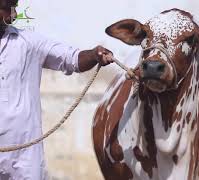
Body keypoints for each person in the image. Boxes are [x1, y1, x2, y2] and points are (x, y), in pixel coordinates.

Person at [0, 0, 114, 179]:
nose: (13, 15)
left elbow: (72, 58)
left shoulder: (29, 42)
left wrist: (93, 55)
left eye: (14, 8)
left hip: (25, 156)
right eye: (7, 7)